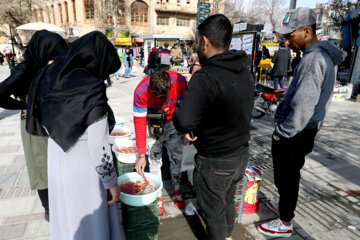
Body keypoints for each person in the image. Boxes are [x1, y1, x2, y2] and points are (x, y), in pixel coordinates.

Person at [257, 8, 347, 238]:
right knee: (288, 175)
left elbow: (304, 106)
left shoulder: (313, 59)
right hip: (307, 129)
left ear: (307, 31)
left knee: (286, 176)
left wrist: (282, 132)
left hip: (296, 132)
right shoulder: (321, 56)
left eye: (290, 36)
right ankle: (285, 206)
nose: (286, 42)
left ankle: (285, 222)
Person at [26, 31, 122, 240]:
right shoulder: (91, 86)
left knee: (67, 223)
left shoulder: (48, 78)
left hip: (57, 163)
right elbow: (99, 145)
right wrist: (111, 182)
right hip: (84, 170)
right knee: (91, 228)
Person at [173, 14, 254, 240]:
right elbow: (226, 108)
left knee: (214, 212)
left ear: (204, 42)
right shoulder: (244, 69)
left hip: (216, 161)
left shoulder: (205, 77)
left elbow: (184, 120)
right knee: (227, 200)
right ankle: (227, 236)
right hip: (240, 154)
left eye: (197, 41)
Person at [0, 30, 67, 221]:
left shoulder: (53, 67)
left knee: (58, 166)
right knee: (41, 167)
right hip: (33, 125)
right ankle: (50, 210)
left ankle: (62, 201)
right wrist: (26, 106)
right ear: (43, 52)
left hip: (54, 122)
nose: (56, 62)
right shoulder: (26, 69)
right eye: (53, 57)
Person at [134, 70, 187, 216]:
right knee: (154, 161)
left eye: (164, 96)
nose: (162, 101)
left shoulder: (180, 82)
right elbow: (139, 122)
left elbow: (185, 110)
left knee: (177, 159)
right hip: (152, 126)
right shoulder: (141, 91)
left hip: (173, 124)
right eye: (158, 97)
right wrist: (141, 154)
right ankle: (157, 196)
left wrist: (187, 130)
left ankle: (177, 189)